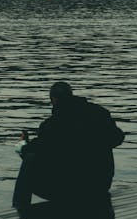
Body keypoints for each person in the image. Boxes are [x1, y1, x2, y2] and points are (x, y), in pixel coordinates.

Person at [12, 81, 125, 210]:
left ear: (53, 99)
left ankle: (19, 208)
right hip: (100, 184)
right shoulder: (100, 114)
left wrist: (22, 145)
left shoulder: (52, 125)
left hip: (65, 190)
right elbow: (118, 138)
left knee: (30, 158)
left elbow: (37, 149)